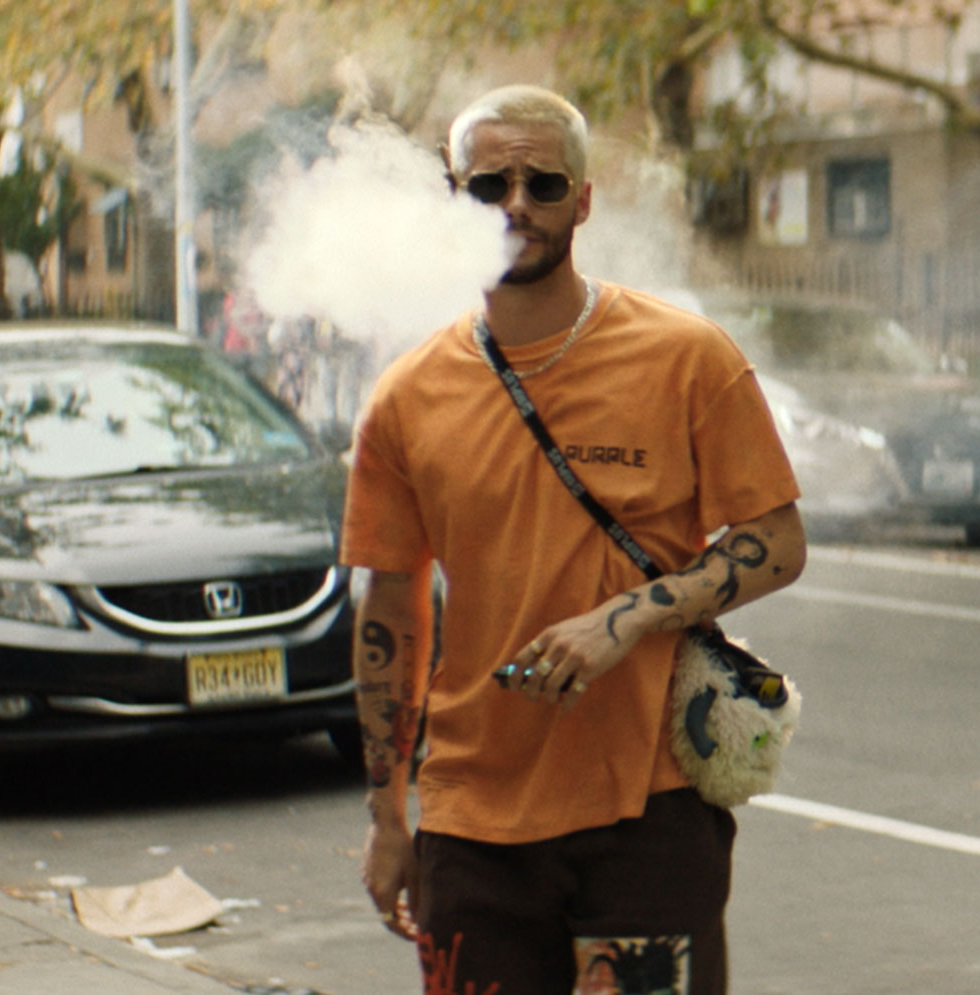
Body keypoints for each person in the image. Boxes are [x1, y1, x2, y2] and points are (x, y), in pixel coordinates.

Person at [341, 84, 806, 995]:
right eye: (489, 185)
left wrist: (628, 616)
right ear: (454, 197)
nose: (517, 204)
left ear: (583, 200)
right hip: (474, 825)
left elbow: (778, 539)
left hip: (648, 815)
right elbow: (391, 607)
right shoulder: (406, 399)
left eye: (544, 183)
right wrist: (389, 816)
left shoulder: (686, 358)